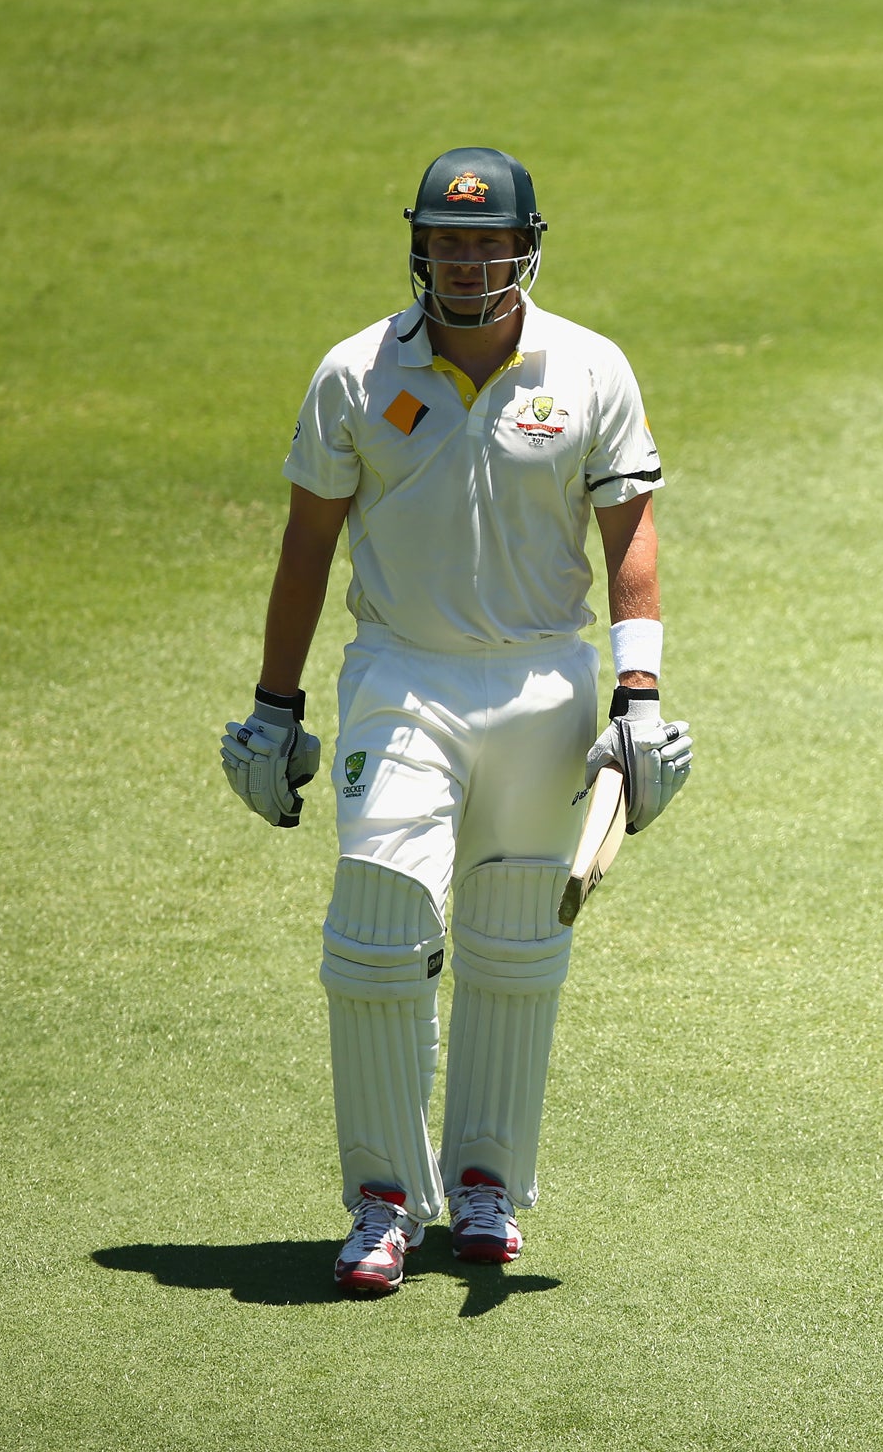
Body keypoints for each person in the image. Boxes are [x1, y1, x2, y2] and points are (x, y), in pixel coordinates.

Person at [219, 147, 692, 1295]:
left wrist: (640, 694)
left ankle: (484, 1182)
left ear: (525, 245)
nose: (466, 259)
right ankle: (381, 1199)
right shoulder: (354, 371)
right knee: (377, 925)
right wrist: (272, 707)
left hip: (541, 680)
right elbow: (306, 540)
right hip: (401, 674)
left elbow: (628, 529)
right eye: (446, 239)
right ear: (418, 245)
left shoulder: (587, 367)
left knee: (517, 943)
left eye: (485, 240)